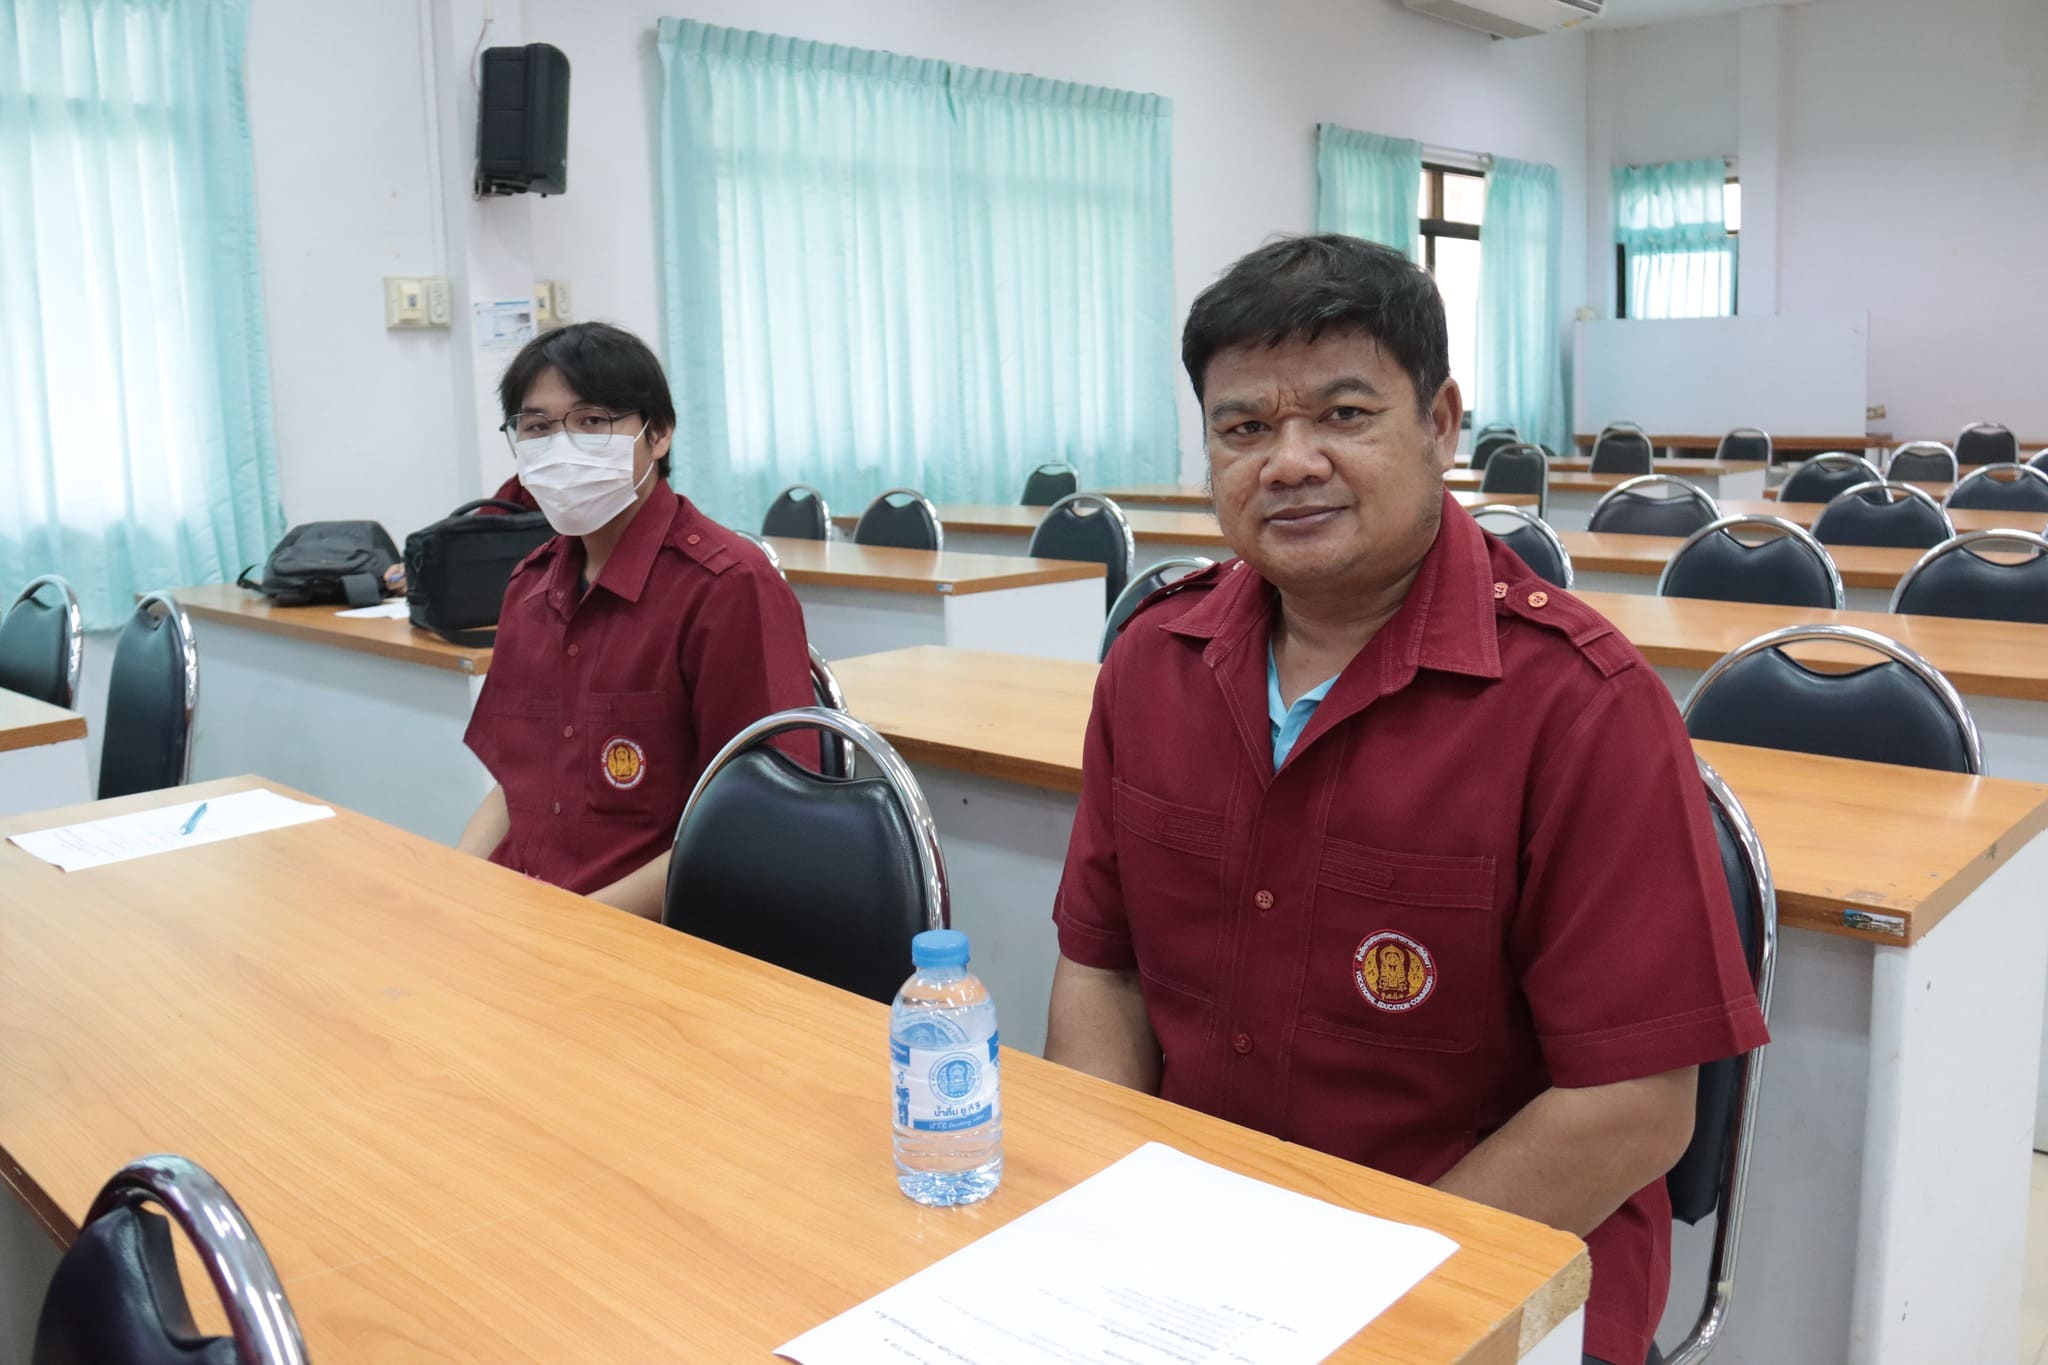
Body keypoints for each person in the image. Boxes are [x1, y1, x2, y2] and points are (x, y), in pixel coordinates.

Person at [1043, 235, 1766, 1365]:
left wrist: (1363, 1301)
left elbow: (1633, 1105)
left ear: (1439, 424)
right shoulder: (1150, 663)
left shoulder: (1579, 705)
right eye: (1244, 428)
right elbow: (1103, 967)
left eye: (1343, 415)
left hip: (1483, 1265)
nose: (1289, 463)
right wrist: (1110, 1203)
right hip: (1193, 1255)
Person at [458, 322, 816, 919]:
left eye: (593, 421)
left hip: (651, 932)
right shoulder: (530, 585)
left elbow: (757, 817)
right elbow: (519, 782)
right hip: (532, 916)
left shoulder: (727, 586)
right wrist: (455, 887)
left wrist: (573, 929)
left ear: (660, 433)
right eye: (538, 427)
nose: (562, 447)